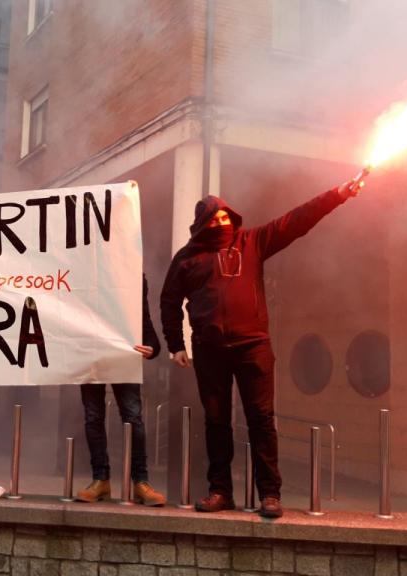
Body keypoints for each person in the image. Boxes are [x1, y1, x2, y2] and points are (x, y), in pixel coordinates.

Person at [159, 175, 364, 518]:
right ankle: (220, 491)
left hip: (253, 345)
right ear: (202, 223)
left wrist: (338, 194)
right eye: (214, 218)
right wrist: (175, 344)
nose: (222, 221)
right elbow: (169, 301)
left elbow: (297, 220)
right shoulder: (186, 258)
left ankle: (270, 494)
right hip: (209, 350)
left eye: (225, 216)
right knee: (216, 421)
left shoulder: (252, 241)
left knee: (262, 420)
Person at [75, 275, 165, 506]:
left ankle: (140, 482)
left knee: (132, 416)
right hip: (91, 350)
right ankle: (101, 479)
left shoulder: (131, 270)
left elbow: (141, 316)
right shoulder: (83, 270)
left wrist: (153, 346)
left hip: (122, 352)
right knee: (94, 416)